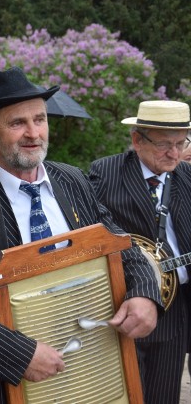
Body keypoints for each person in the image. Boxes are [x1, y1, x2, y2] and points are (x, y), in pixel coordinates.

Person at [0, 67, 161, 403]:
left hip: (90, 366)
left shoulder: (73, 180)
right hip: (0, 384)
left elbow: (119, 243)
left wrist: (146, 293)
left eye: (40, 119)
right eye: (17, 123)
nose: (34, 133)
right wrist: (17, 353)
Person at [89, 100, 191, 404]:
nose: (174, 154)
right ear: (137, 140)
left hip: (176, 309)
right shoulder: (105, 171)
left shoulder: (187, 177)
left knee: (164, 395)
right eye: (163, 145)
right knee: (127, 395)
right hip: (125, 303)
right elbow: (88, 232)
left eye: (180, 143)